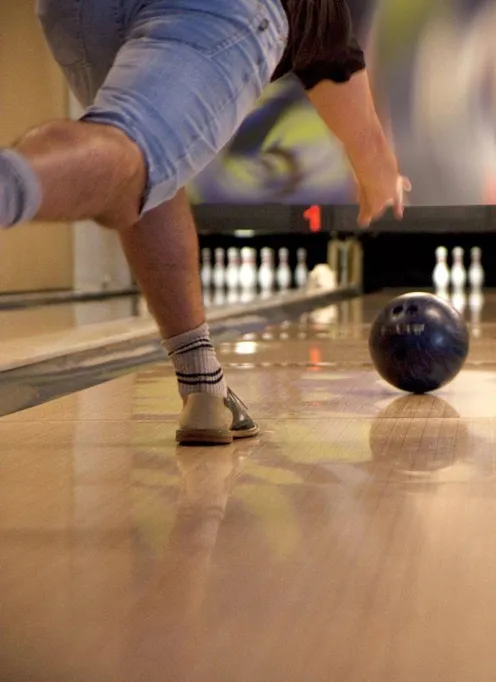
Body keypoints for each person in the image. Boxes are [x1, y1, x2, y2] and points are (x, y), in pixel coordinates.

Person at [0, 0, 409, 445]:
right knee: (133, 150)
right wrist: (379, 170)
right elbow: (365, 137)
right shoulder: (325, 18)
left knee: (149, 168)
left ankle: (202, 386)